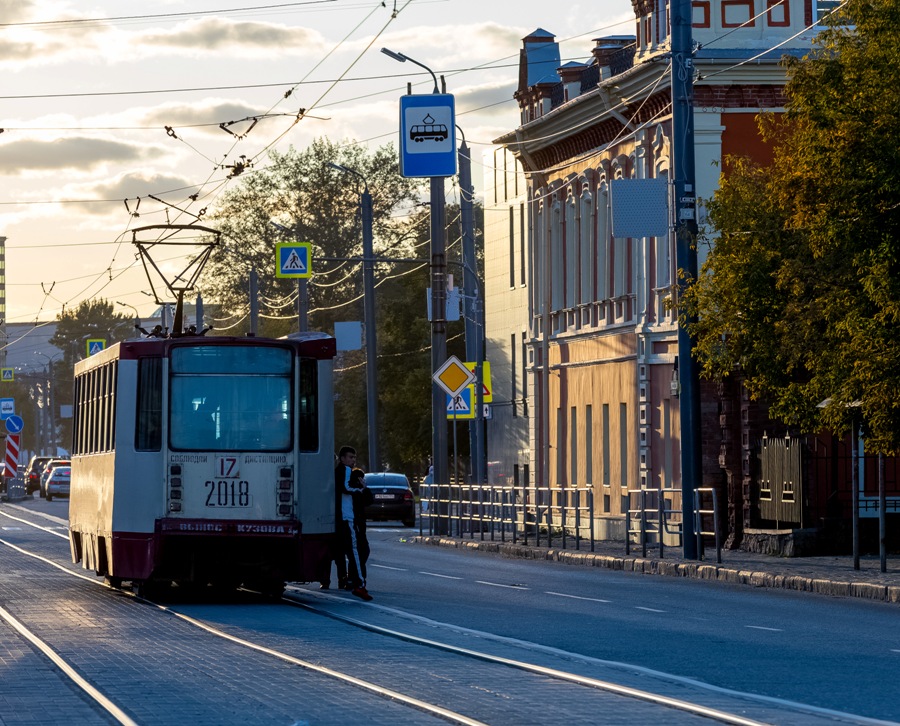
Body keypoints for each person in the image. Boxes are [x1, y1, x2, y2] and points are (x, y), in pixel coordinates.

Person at [333, 446, 373, 601]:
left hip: (342, 518)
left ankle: (352, 581)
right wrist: (361, 489)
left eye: (354, 457)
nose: (353, 460)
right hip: (347, 518)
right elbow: (346, 487)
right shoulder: (346, 471)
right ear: (342, 458)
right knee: (355, 552)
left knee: (350, 552)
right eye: (350, 457)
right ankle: (359, 584)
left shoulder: (338, 472)